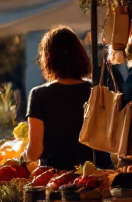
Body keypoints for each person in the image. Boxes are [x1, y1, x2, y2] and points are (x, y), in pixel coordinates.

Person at [27, 26, 106, 169]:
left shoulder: (39, 95)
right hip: (92, 175)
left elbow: (35, 151)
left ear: (48, 58)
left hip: (54, 180)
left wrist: (20, 159)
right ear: (81, 55)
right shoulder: (95, 91)